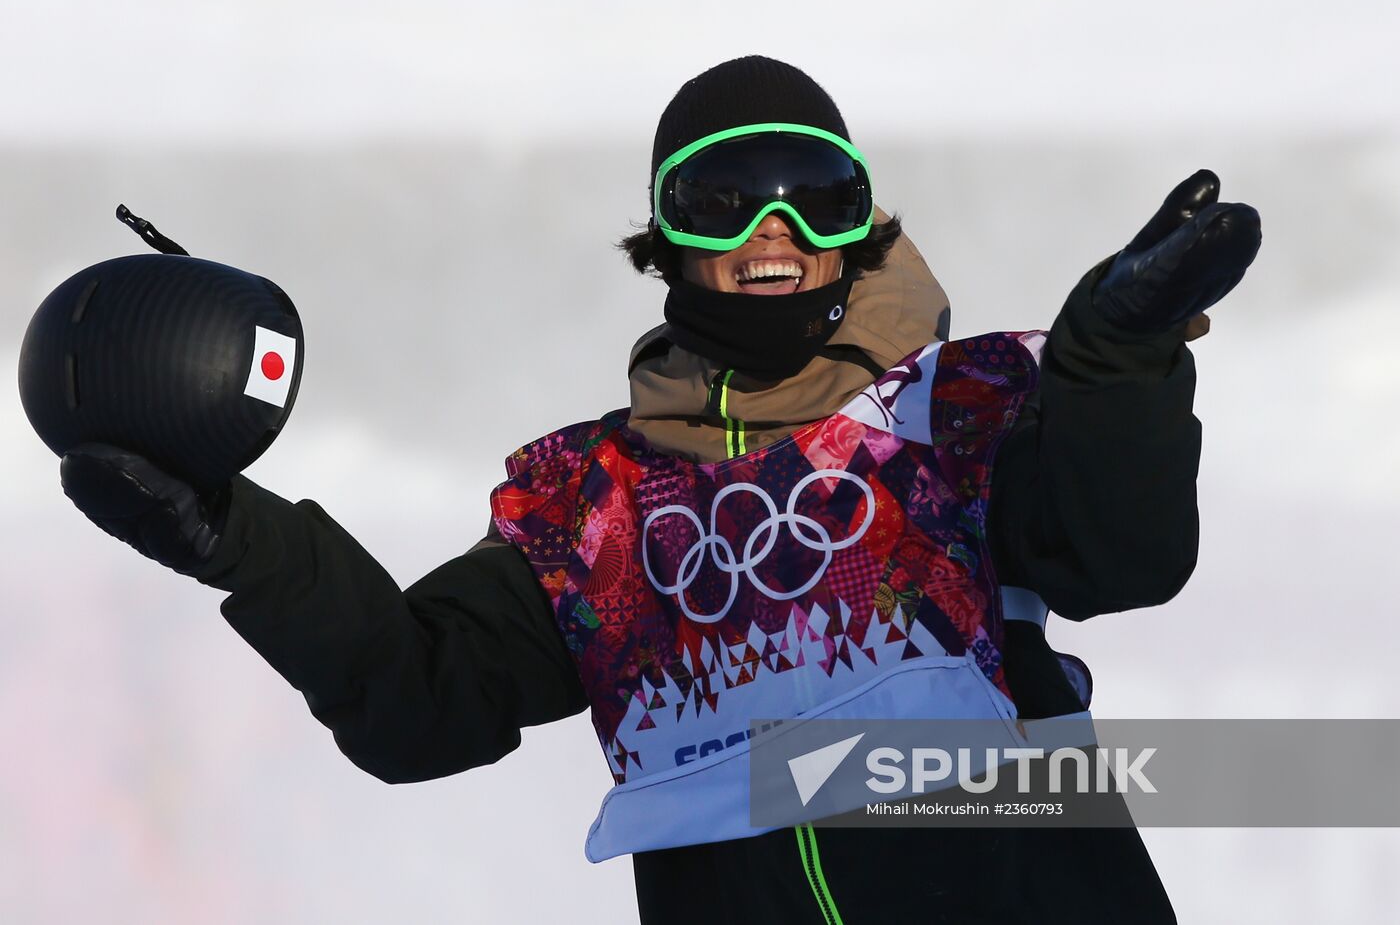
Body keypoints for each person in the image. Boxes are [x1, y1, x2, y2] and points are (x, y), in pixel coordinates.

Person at [58, 56, 1260, 923]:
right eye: (721, 199)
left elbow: (1122, 558)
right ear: (664, 236)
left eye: (815, 194)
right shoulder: (591, 505)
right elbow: (418, 704)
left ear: (858, 226)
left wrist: (1118, 361)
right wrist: (241, 544)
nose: (771, 230)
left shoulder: (958, 412)